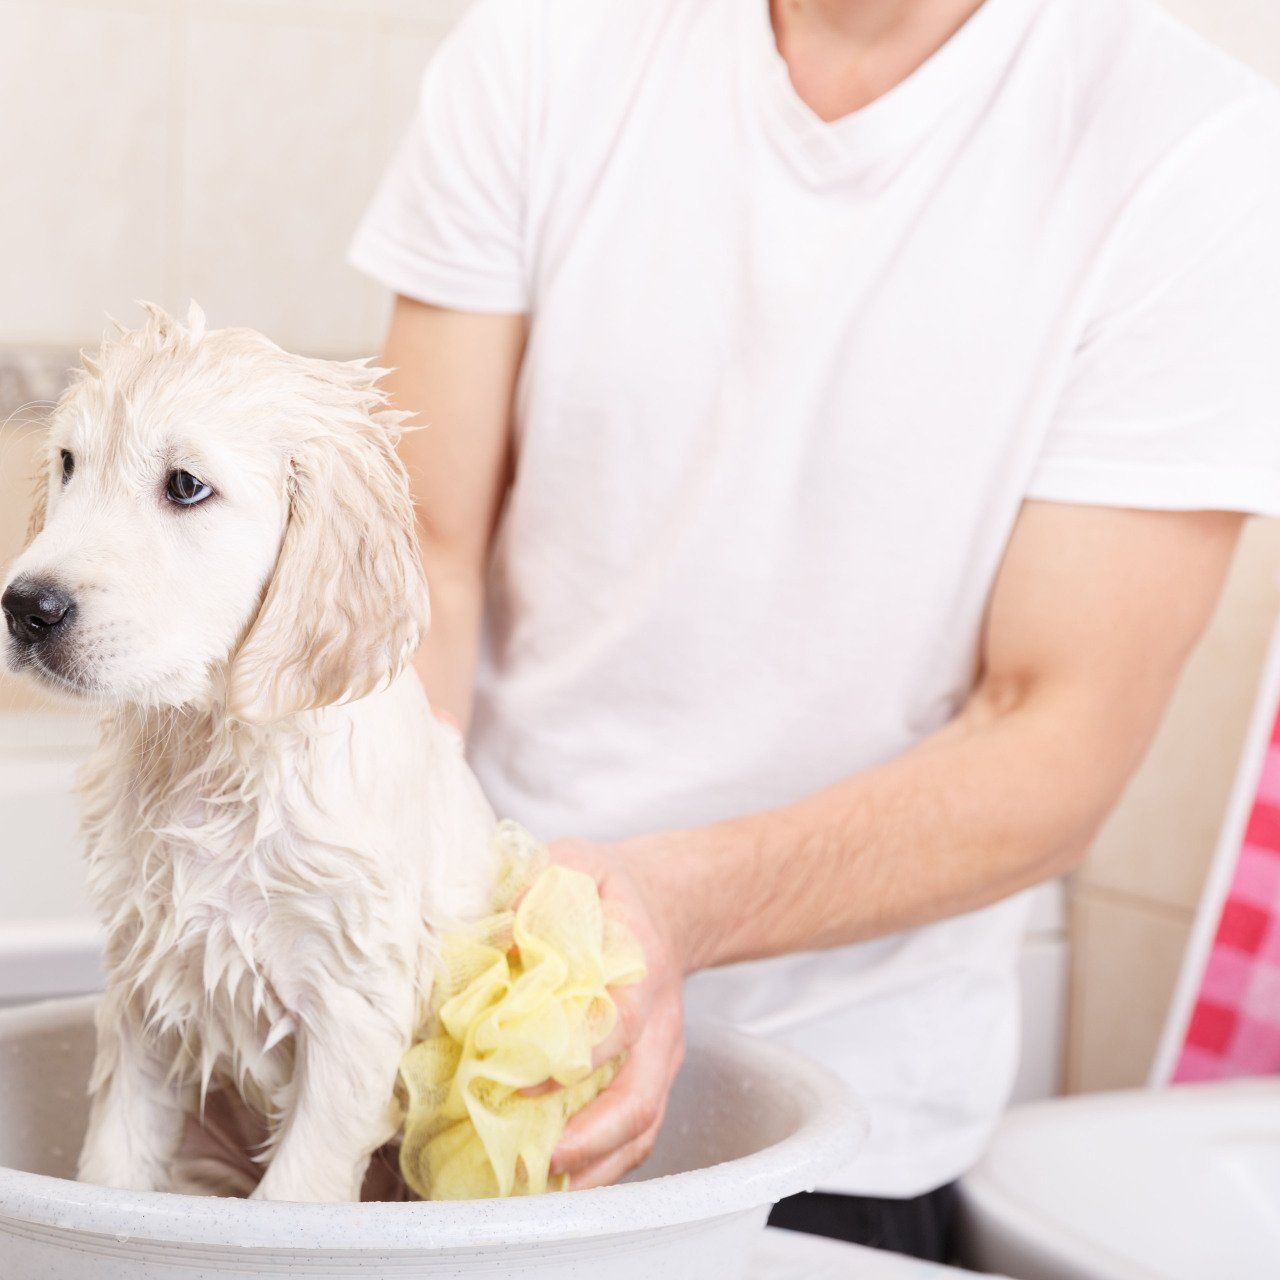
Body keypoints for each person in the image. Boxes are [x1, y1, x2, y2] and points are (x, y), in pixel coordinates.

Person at [351, 0, 1280, 1260]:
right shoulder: (539, 50)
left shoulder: (1187, 151)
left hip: (845, 1118)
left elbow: (1053, 738)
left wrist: (671, 906)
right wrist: (379, 878)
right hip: (452, 1054)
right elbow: (425, 551)